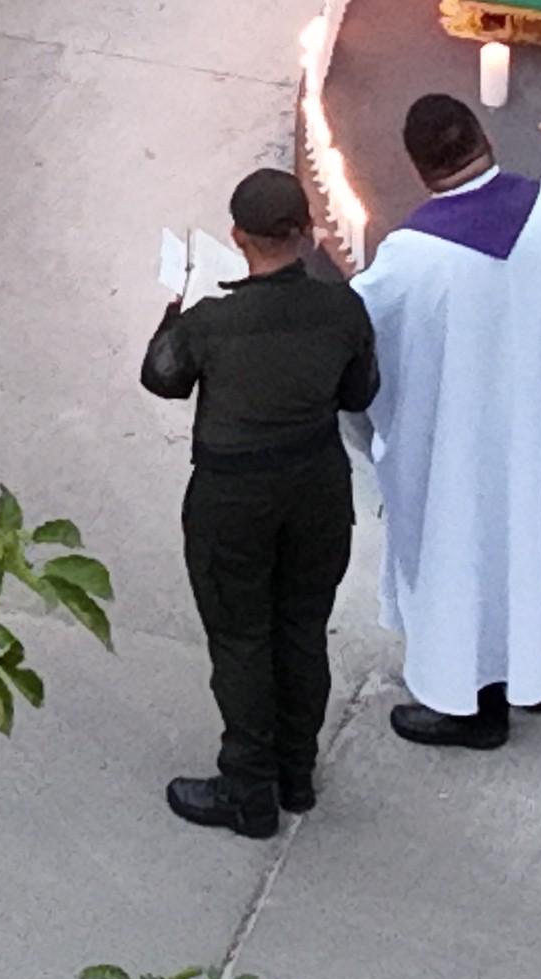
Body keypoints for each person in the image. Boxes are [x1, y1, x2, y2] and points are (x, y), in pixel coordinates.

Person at [350, 82, 541, 749]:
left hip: (467, 448)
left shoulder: (409, 260)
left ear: (419, 170)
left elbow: (355, 344)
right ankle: (539, 675)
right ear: (487, 142)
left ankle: (473, 709)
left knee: (473, 555)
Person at [139, 165, 374, 834]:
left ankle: (248, 788)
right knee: (302, 625)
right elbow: (360, 393)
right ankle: (296, 772)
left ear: (238, 237)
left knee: (242, 637)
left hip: (232, 497)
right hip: (316, 490)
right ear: (305, 232)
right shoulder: (342, 308)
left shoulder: (214, 321)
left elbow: (161, 377)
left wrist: (176, 307)